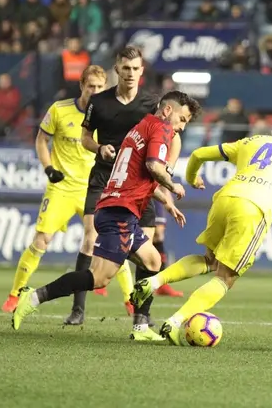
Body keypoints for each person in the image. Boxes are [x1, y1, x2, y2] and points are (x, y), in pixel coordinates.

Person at [129, 121, 272, 346]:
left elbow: (198, 154)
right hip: (254, 208)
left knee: (210, 260)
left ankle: (154, 281)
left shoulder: (251, 141)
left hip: (224, 199)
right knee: (226, 277)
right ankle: (176, 321)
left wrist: (191, 178)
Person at [12, 91, 200, 335]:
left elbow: (135, 174)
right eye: (182, 119)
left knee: (153, 260)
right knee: (99, 278)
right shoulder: (161, 130)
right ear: (167, 111)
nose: (182, 127)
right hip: (120, 212)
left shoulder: (140, 127)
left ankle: (141, 326)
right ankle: (34, 297)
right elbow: (154, 166)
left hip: (118, 208)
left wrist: (166, 201)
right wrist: (172, 185)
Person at [66, 46, 181, 340]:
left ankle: (141, 319)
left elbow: (173, 136)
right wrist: (99, 147)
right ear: (117, 69)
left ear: (142, 71)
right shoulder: (99, 102)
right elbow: (84, 137)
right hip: (105, 176)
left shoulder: (151, 103)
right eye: (125, 68)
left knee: (147, 252)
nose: (130, 73)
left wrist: (167, 169)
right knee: (90, 236)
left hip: (139, 183)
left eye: (135, 68)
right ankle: (78, 309)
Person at [1, 65, 112, 313]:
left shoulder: (107, 113)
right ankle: (14, 294)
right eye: (90, 86)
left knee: (100, 238)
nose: (95, 91)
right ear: (82, 85)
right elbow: (41, 139)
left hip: (92, 188)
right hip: (61, 188)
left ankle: (128, 301)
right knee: (42, 240)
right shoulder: (60, 109)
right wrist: (48, 168)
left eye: (99, 87)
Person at [151, 196, 184, 297]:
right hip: (141, 192)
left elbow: (164, 182)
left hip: (156, 196)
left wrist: (168, 200)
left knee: (158, 234)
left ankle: (162, 284)